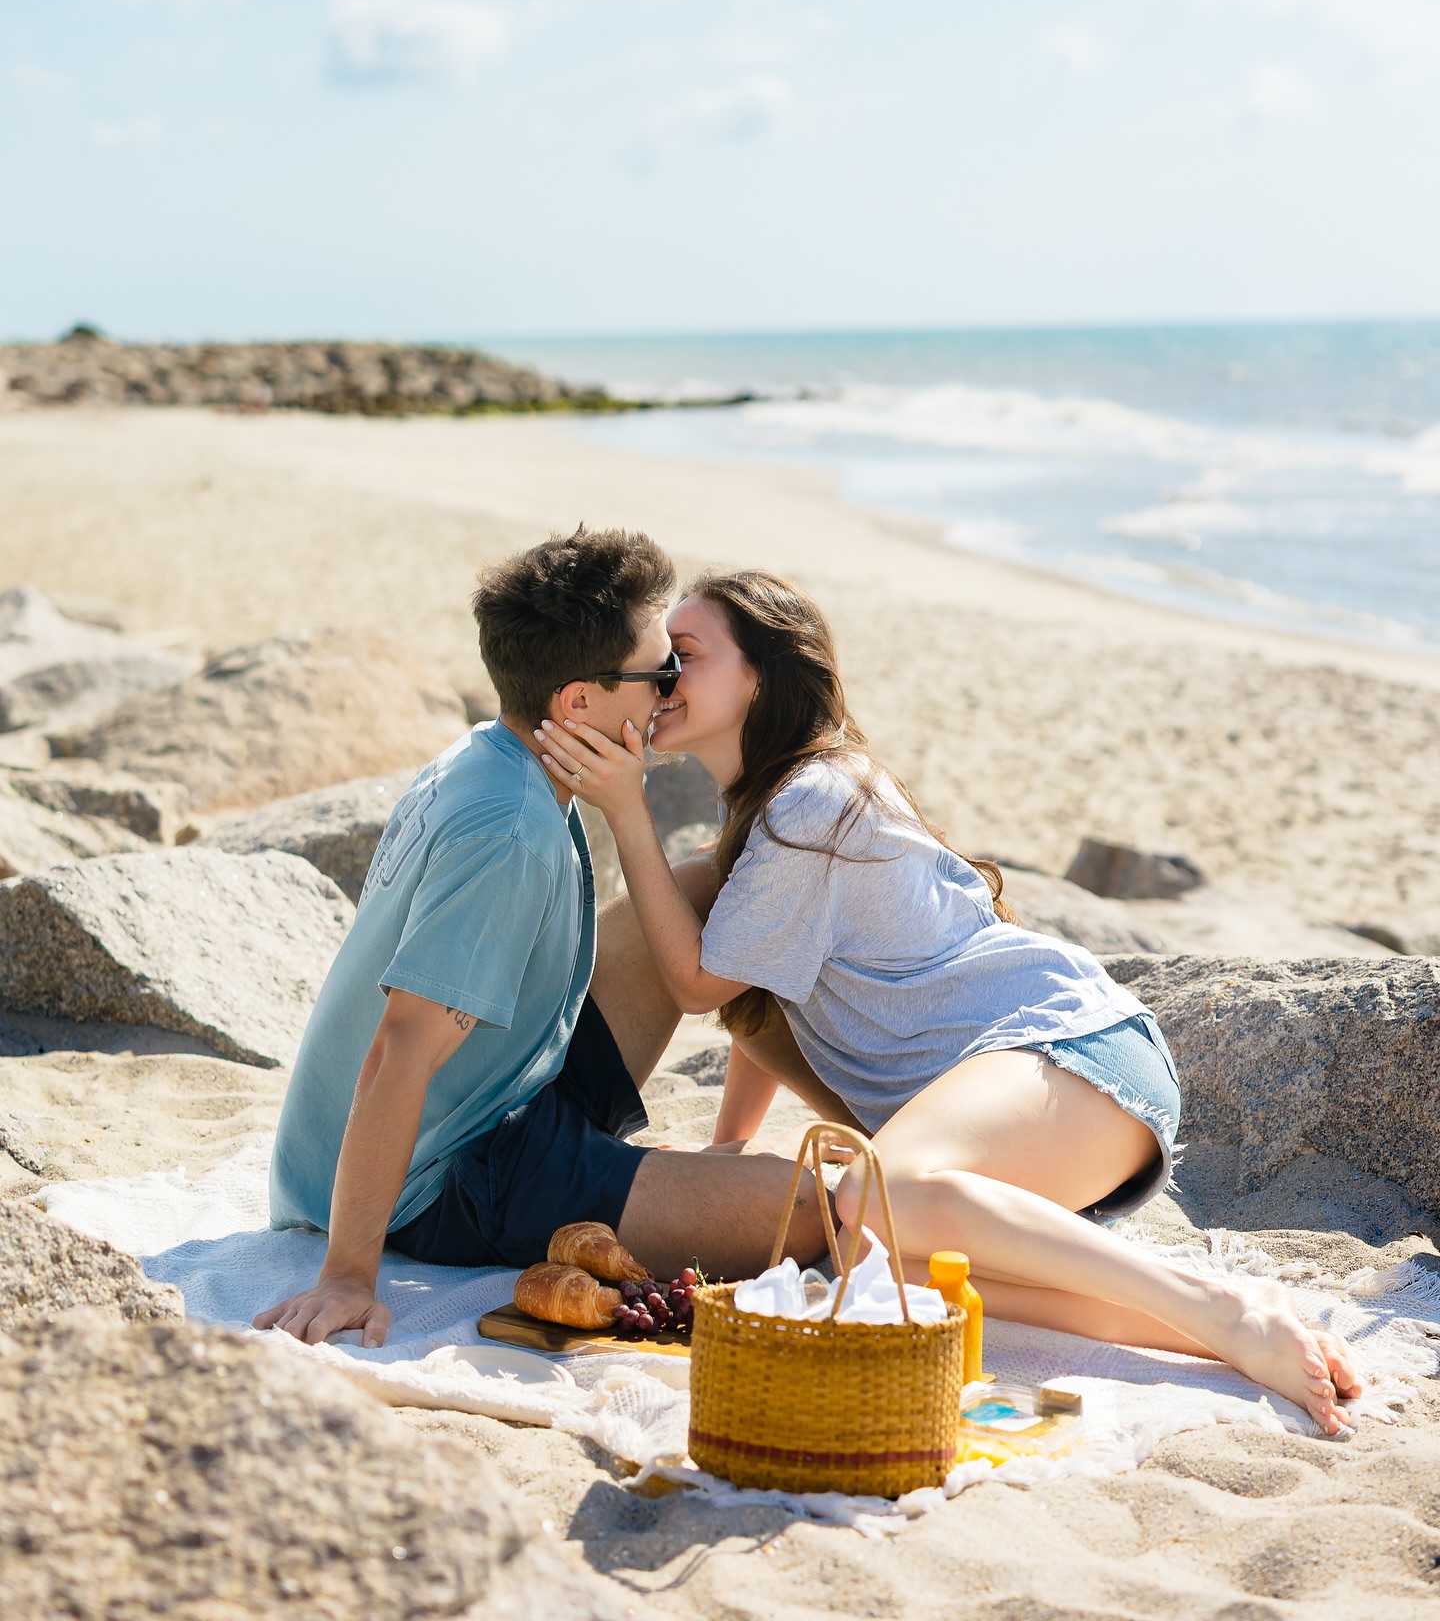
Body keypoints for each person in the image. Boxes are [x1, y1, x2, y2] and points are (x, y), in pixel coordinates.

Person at [532, 567, 1363, 1434]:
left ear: (762, 676)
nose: (662, 678)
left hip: (1070, 1052)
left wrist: (627, 815)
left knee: (874, 1196)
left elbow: (698, 984)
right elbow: (758, 1002)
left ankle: (1213, 1305)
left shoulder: (813, 800)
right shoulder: (767, 814)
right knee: (863, 1259)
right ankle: (1226, 1328)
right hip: (1027, 1114)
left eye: (687, 656)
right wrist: (729, 1144)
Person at [255, 530, 825, 1349]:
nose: (670, 690)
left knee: (697, 884)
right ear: (578, 703)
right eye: (657, 671)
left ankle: (666, 1160)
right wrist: (348, 1274)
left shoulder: (489, 754)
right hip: (450, 1176)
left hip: (507, 1086)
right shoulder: (510, 832)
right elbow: (400, 1050)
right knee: (804, 1213)